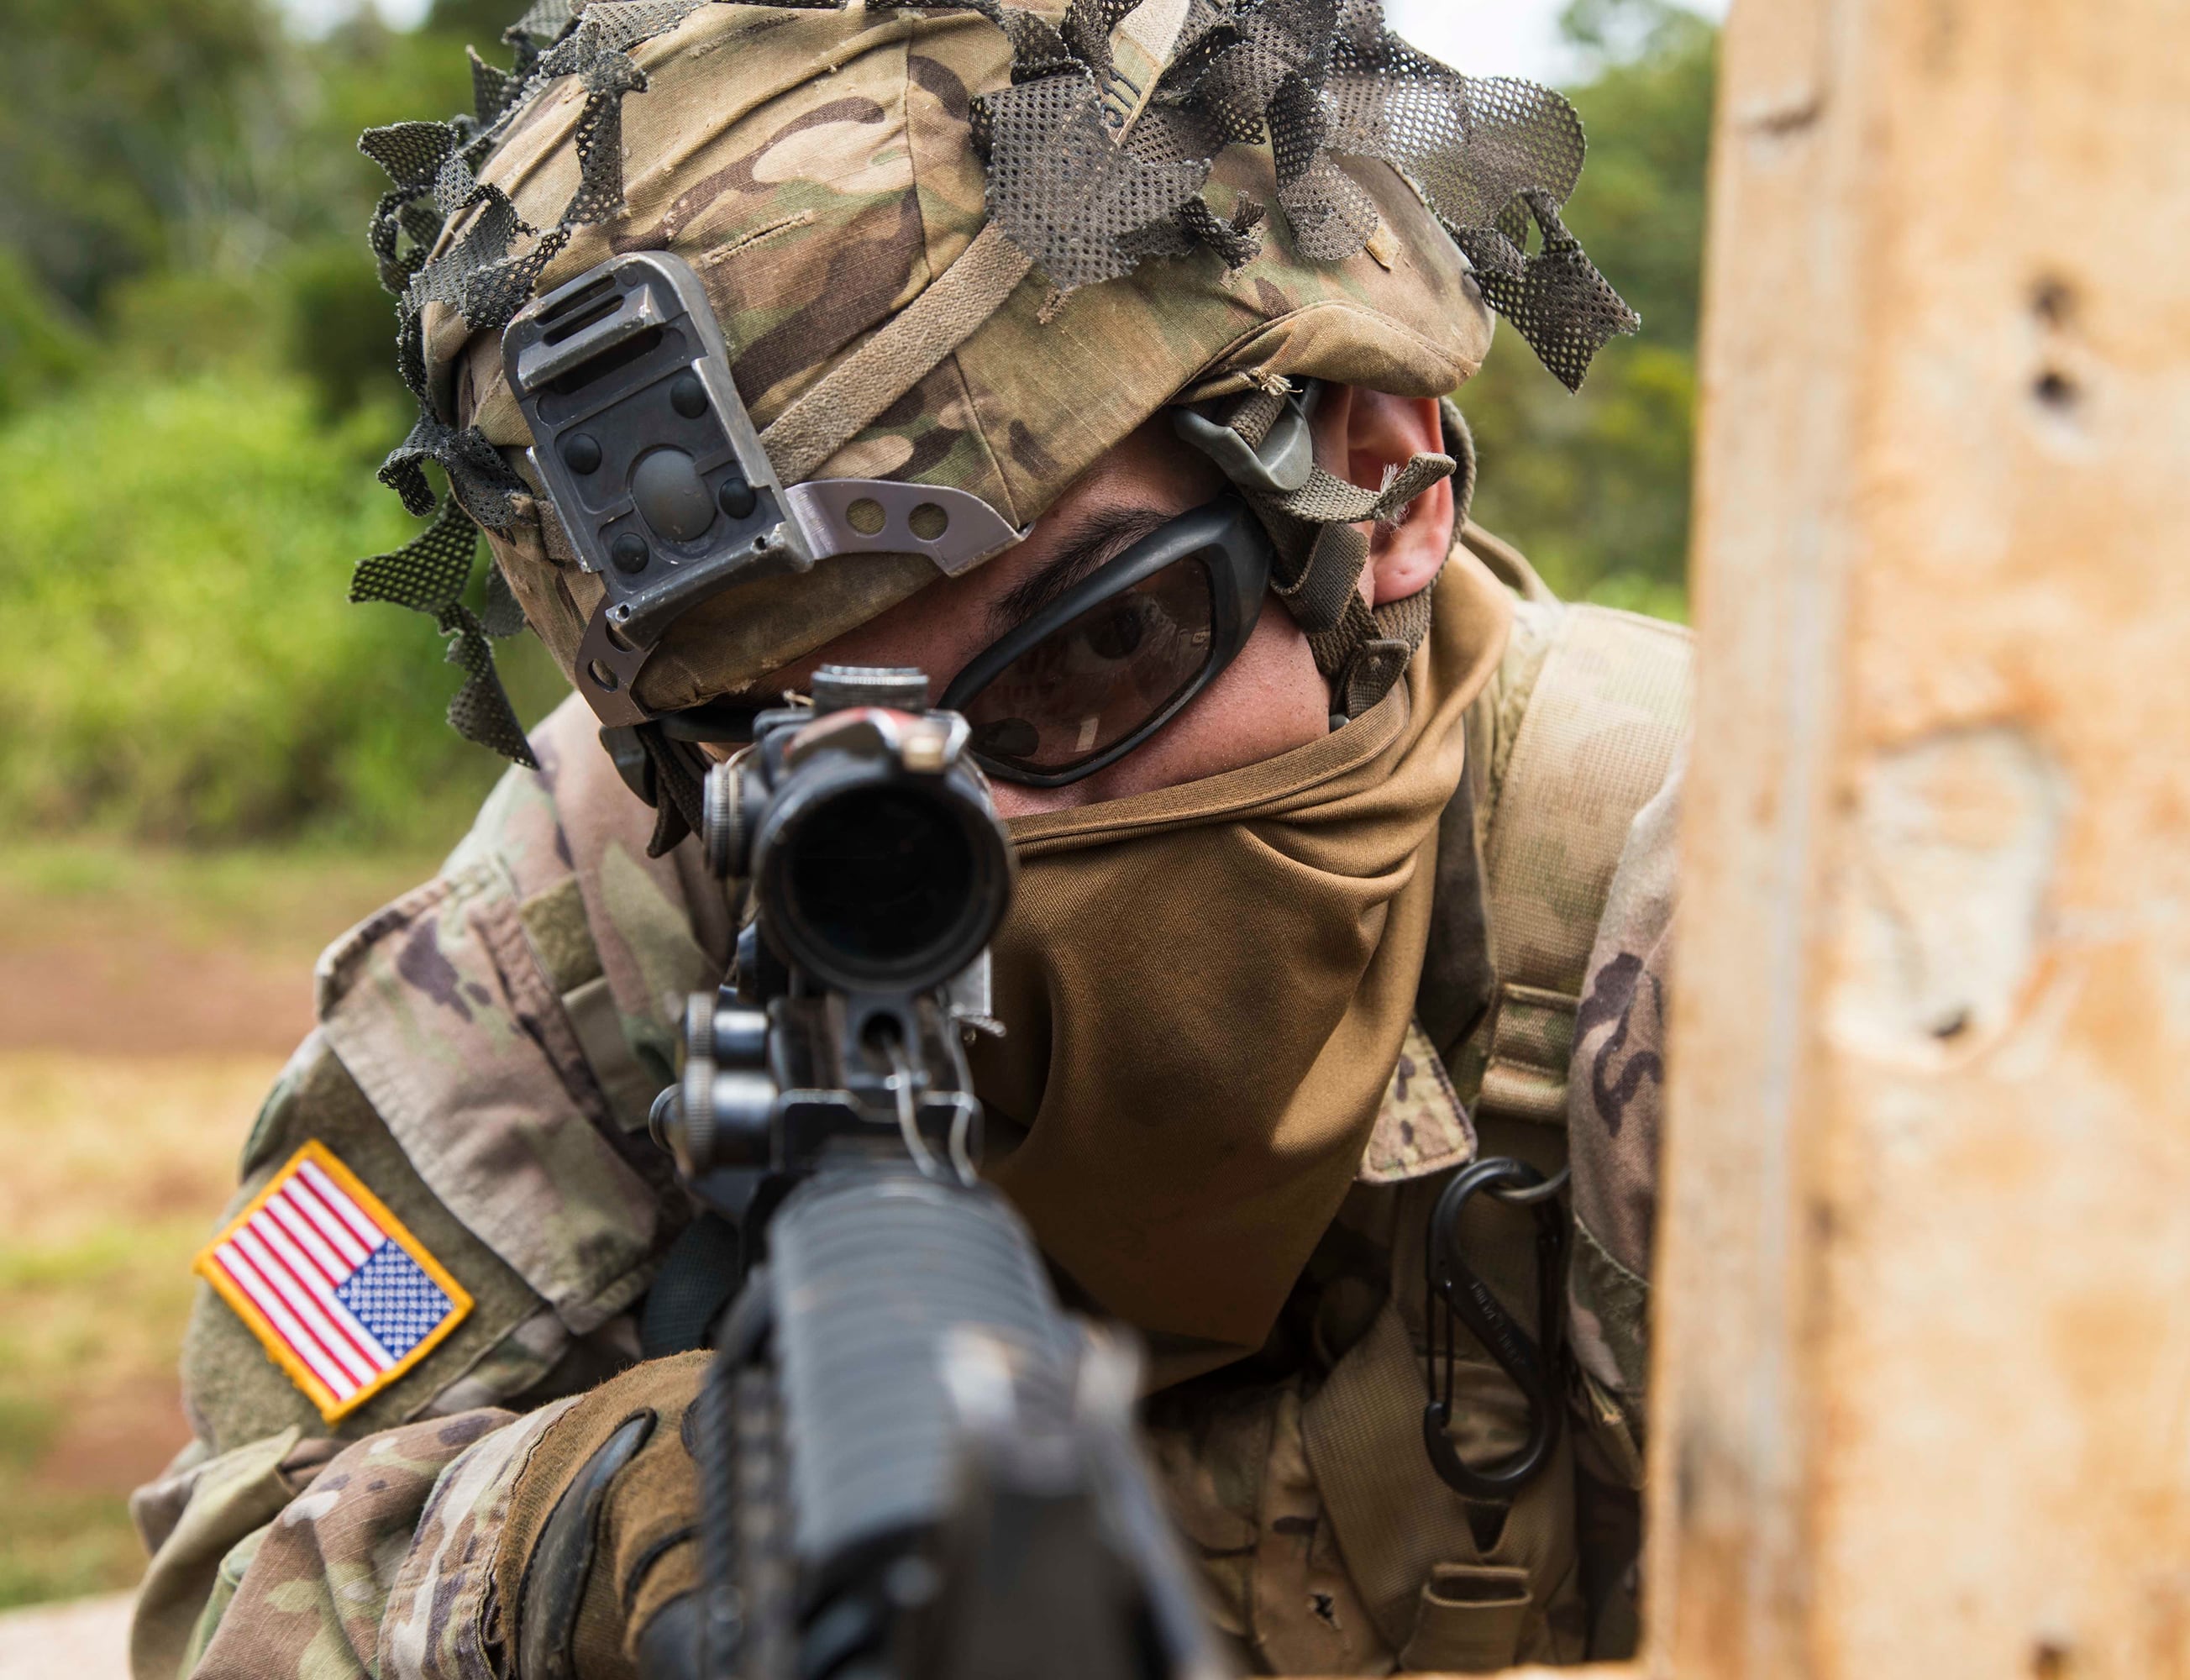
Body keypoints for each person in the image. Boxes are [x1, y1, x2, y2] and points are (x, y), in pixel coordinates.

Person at [127, 1, 1692, 1674]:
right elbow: (242, 1563)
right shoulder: (582, 929)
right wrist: (605, 1537)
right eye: (803, 744)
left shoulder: (1728, 945)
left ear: (1380, 483)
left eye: (1100, 650)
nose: (965, 831)